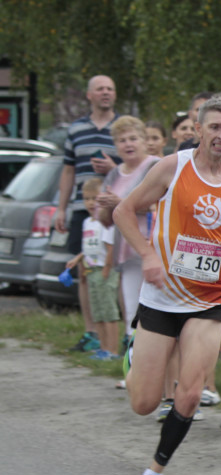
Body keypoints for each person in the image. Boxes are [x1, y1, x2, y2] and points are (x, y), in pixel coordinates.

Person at [113, 93, 221, 475]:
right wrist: (147, 255)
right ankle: (134, 357)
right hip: (161, 298)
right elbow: (125, 212)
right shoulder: (172, 167)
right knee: (145, 403)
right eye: (214, 127)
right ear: (198, 129)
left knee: (189, 394)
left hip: (209, 299)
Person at [55, 74, 120, 353]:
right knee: (84, 271)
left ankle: (120, 329)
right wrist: (61, 206)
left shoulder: (122, 127)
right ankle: (91, 331)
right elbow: (68, 169)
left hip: (114, 209)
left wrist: (112, 167)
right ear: (89, 95)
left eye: (110, 89)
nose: (106, 93)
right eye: (100, 89)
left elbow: (134, 166)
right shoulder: (76, 129)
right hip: (84, 210)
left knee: (114, 269)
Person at [95, 116, 162, 349]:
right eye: (122, 140)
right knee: (132, 312)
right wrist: (106, 206)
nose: (128, 144)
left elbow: (159, 203)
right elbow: (104, 219)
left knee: (159, 311)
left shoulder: (155, 166)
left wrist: (121, 202)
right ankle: (134, 370)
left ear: (144, 141)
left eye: (133, 138)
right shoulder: (114, 174)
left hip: (155, 248)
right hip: (127, 250)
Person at [65, 177, 120, 360]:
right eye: (86, 198)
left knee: (108, 312)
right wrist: (78, 259)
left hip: (104, 271)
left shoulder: (107, 222)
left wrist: (107, 268)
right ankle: (103, 348)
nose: (90, 203)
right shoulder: (87, 222)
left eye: (94, 198)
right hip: (90, 271)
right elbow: (89, 247)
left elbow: (111, 248)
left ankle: (112, 350)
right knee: (97, 312)